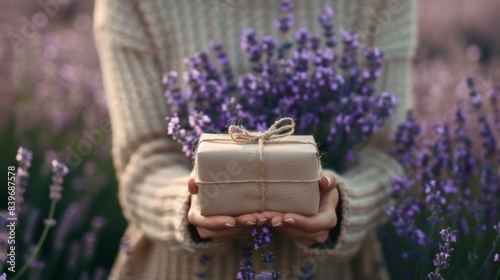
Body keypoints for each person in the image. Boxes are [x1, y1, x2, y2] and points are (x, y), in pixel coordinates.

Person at [93, 0, 416, 279]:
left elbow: (387, 155)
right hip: (180, 269)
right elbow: (142, 159)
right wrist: (189, 203)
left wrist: (343, 205)